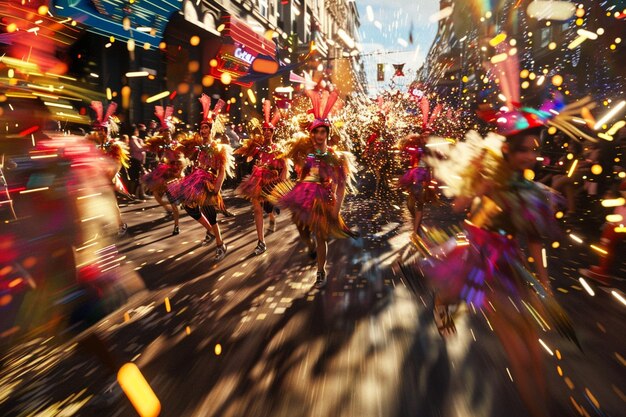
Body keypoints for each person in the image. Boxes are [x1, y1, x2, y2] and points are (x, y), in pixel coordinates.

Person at [271, 89, 357, 289]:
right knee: (300, 227)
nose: (319, 135)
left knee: (321, 235)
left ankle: (320, 271)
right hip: (303, 194)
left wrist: (336, 210)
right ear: (311, 134)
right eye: (316, 131)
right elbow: (295, 166)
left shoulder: (336, 157)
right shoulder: (305, 151)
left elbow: (341, 186)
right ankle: (308, 245)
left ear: (327, 134)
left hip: (324, 198)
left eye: (323, 132)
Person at [169, 94, 233, 261]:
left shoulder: (218, 147)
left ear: (211, 129)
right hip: (195, 178)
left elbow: (221, 171)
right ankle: (211, 233)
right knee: (189, 206)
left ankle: (220, 244)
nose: (203, 130)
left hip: (208, 182)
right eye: (202, 128)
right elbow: (184, 153)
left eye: (206, 128)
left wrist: (216, 188)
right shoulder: (198, 145)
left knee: (210, 213)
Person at [235, 101, 289, 255]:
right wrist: (251, 157)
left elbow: (284, 166)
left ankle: (271, 215)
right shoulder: (257, 146)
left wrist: (282, 184)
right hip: (257, 180)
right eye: (264, 130)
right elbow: (247, 157)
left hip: (271, 182)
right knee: (257, 210)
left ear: (273, 133)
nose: (266, 133)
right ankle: (261, 242)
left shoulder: (277, 148)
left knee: (268, 207)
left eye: (269, 131)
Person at [140, 106, 183, 235]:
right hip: (162, 173)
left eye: (167, 131)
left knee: (174, 203)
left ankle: (176, 225)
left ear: (171, 131)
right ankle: (167, 207)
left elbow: (181, 159)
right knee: (156, 195)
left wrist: (178, 171)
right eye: (163, 131)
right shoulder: (159, 144)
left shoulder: (176, 144)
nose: (165, 133)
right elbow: (148, 148)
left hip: (174, 174)